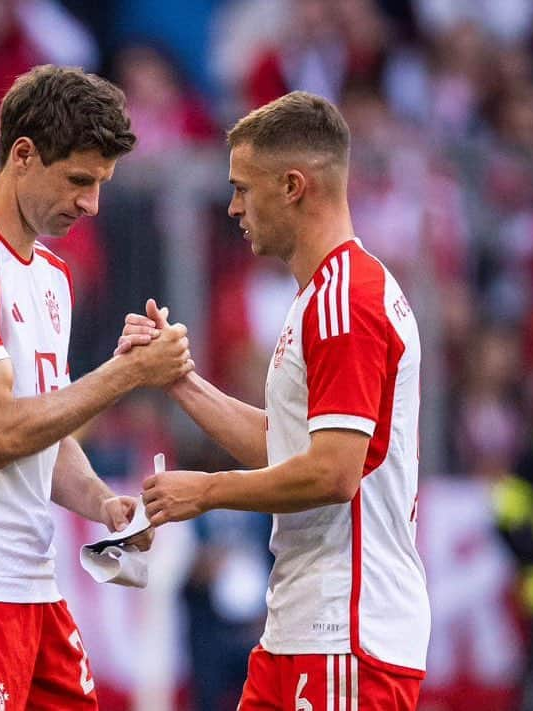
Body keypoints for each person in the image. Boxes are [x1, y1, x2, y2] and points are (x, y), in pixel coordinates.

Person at [0, 65, 192, 711]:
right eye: (79, 179)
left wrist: (104, 504)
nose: (91, 203)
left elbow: (45, 427)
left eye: (101, 183)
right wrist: (127, 373)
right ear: (22, 154)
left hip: (28, 578)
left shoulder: (49, 273)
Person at [133, 92, 430, 710]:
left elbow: (332, 473)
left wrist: (207, 491)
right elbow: (289, 445)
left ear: (293, 185)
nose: (235, 207)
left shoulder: (345, 302)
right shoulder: (324, 295)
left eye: (243, 188)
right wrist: (179, 379)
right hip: (305, 625)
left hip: (345, 630)